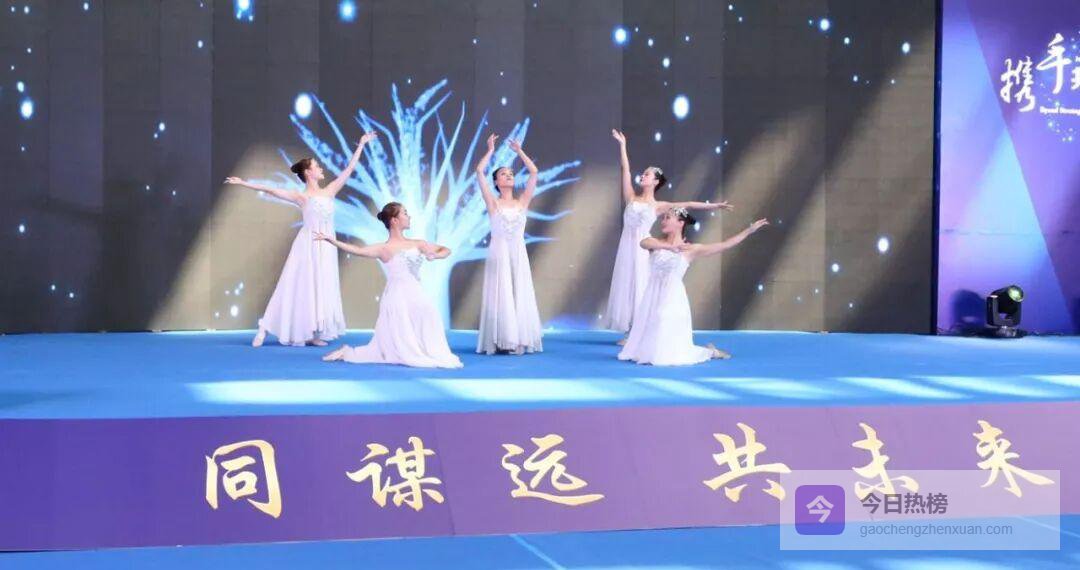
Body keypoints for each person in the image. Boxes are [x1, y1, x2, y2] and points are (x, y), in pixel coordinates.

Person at [225, 132, 377, 347]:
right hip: (308, 246)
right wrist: (244, 183)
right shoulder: (302, 196)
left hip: (326, 246)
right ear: (308, 172)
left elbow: (349, 169)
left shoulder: (330, 191)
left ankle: (312, 333)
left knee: (319, 287)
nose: (321, 169)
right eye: (317, 166)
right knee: (294, 285)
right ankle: (264, 328)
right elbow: (271, 189)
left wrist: (361, 144)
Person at [605, 129, 732, 343]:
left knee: (641, 285)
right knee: (627, 285)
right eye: (643, 173)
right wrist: (623, 145)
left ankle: (639, 330)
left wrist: (715, 206)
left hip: (644, 248)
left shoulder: (658, 206)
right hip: (626, 249)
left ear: (656, 181)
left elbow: (687, 204)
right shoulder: (631, 198)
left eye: (647, 174)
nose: (643, 176)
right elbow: (625, 170)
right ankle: (631, 330)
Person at [317, 202, 463, 369]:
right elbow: (357, 250)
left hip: (416, 292)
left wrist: (434, 255)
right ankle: (402, 351)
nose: (409, 216)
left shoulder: (418, 243)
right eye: (405, 213)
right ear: (394, 220)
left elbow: (445, 250)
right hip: (396, 295)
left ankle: (424, 350)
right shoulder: (383, 248)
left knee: (428, 314)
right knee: (401, 324)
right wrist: (332, 241)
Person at [618, 208, 769, 366]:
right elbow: (643, 243)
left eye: (668, 218)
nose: (663, 221)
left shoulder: (691, 249)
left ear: (680, 223)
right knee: (651, 328)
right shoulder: (656, 243)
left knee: (663, 318)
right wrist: (669, 247)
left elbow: (724, 245)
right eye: (663, 218)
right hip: (653, 295)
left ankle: (710, 352)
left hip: (672, 295)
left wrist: (749, 231)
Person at [474, 134, 544, 355]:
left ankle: (519, 337)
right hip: (499, 253)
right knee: (501, 292)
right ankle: (501, 338)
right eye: (504, 174)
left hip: (518, 253)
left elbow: (534, 172)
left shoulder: (522, 201)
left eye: (511, 174)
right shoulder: (493, 203)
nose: (509, 176)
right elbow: (479, 172)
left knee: (518, 290)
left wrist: (519, 151)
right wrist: (490, 150)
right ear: (496, 182)